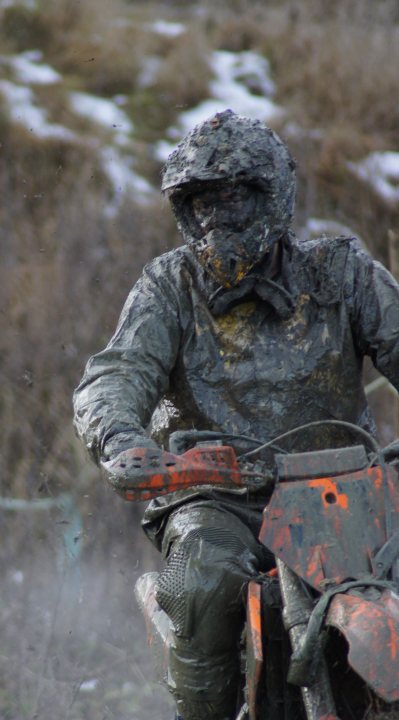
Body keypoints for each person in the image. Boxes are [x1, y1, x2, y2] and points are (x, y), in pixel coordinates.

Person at [73, 109, 399, 720]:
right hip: (216, 495)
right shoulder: (169, 285)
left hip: (348, 494)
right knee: (200, 585)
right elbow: (116, 375)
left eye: (232, 199)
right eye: (199, 202)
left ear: (271, 194)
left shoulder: (343, 273)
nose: (214, 217)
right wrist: (124, 441)